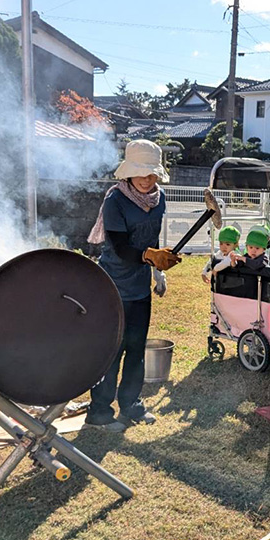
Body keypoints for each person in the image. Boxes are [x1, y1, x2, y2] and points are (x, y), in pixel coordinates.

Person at [86, 139, 181, 430]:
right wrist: (148, 256)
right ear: (128, 172)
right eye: (140, 172)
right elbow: (120, 246)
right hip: (114, 284)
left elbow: (151, 239)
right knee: (111, 348)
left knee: (137, 348)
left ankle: (131, 404)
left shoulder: (159, 198)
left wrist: (157, 270)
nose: (146, 179)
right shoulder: (115, 200)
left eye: (151, 173)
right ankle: (99, 410)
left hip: (140, 286)